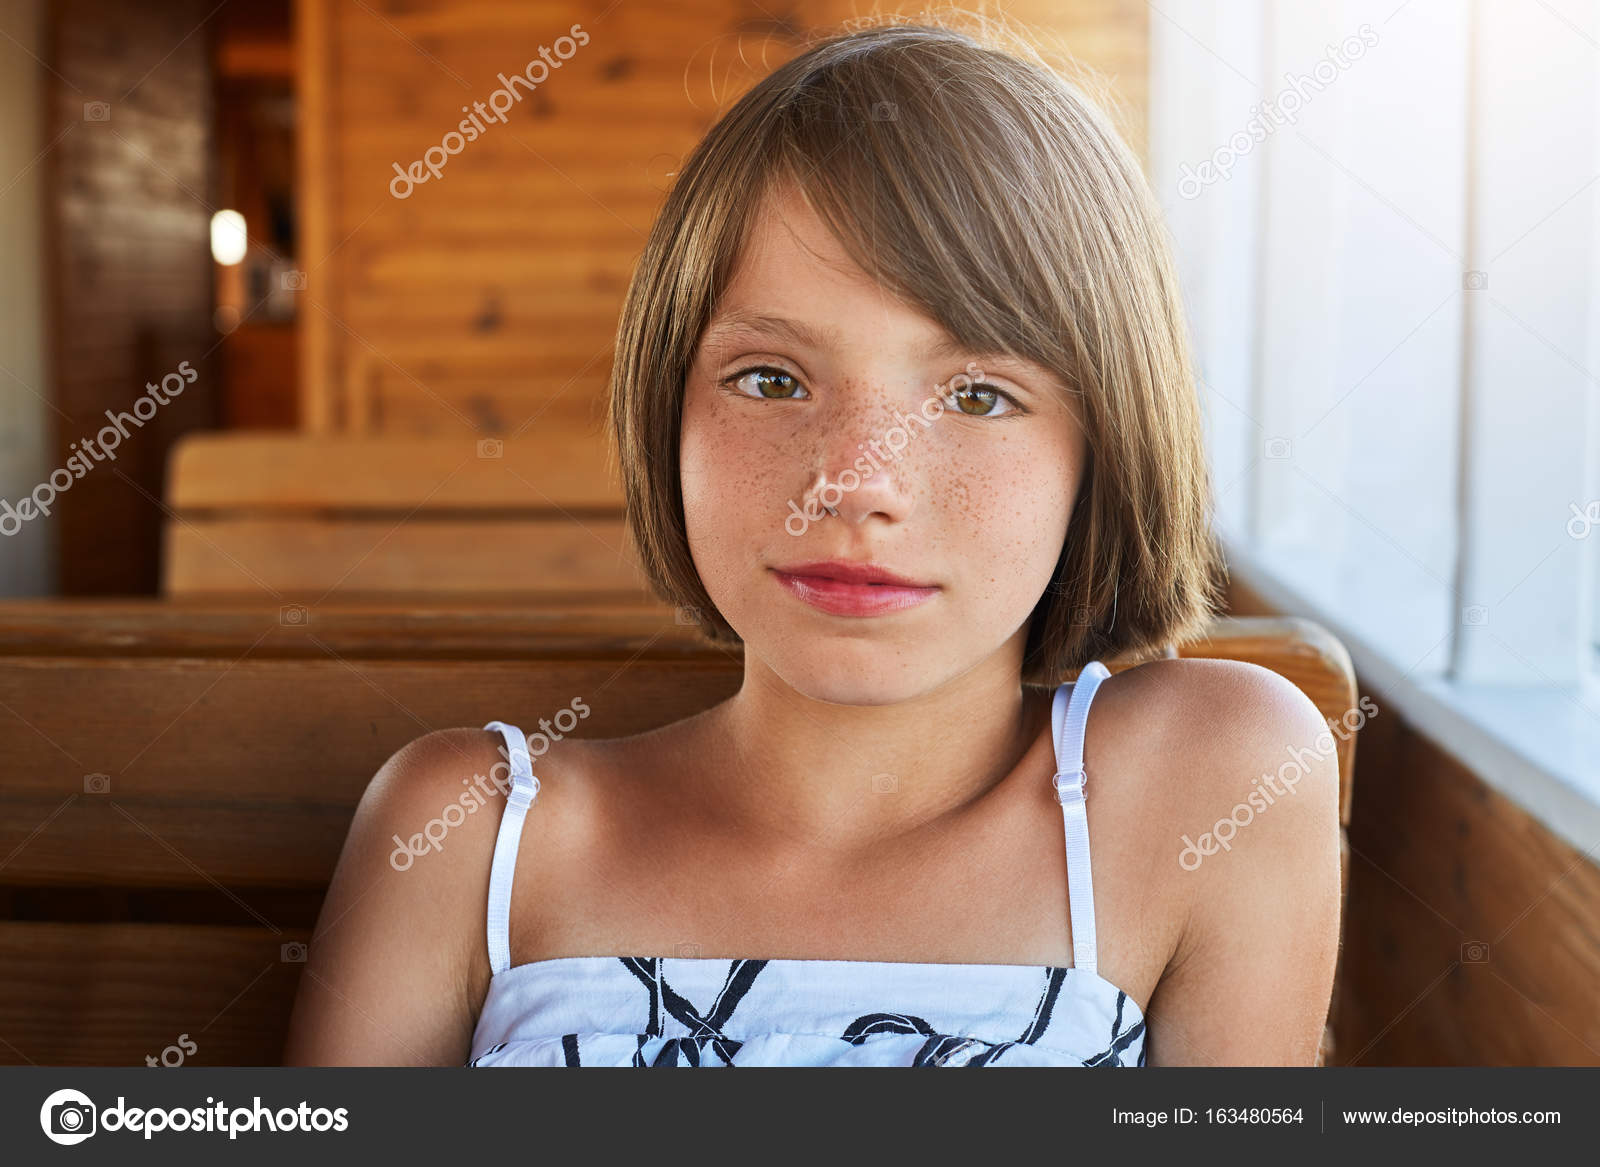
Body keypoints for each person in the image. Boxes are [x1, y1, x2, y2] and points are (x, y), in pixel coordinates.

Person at [283, 15, 1340, 1068]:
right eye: (772, 380)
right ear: (668, 412)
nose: (854, 485)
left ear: (1105, 444)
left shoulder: (1204, 782)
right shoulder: (471, 837)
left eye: (976, 394)